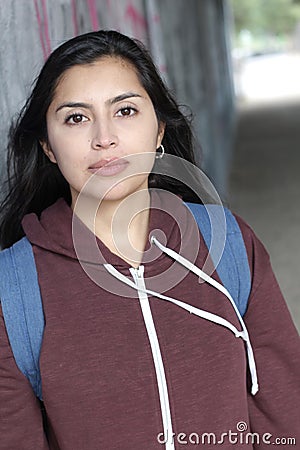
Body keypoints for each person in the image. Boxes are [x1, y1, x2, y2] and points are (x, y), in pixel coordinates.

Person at [0, 30, 299, 450]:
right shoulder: (14, 290)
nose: (104, 137)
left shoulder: (227, 244)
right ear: (48, 146)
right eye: (76, 118)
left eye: (125, 110)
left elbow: (285, 417)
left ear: (159, 129)